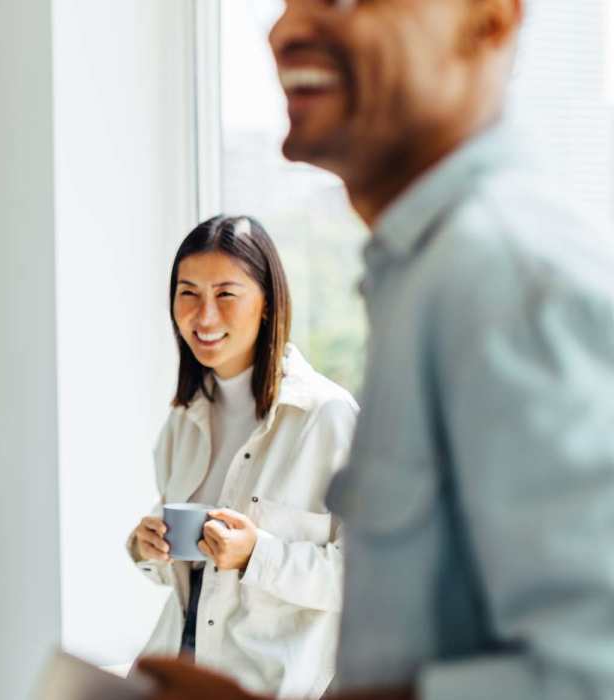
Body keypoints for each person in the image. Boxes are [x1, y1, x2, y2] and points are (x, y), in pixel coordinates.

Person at [139, 0, 614, 698]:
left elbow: (587, 675)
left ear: (489, 18)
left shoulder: (509, 282)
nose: (284, 30)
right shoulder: (424, 278)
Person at [130, 215, 357, 698]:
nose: (204, 316)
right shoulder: (183, 420)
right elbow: (191, 578)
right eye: (188, 293)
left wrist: (258, 554)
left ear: (267, 303)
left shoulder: (326, 416)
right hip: (179, 671)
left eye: (226, 294)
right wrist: (148, 548)